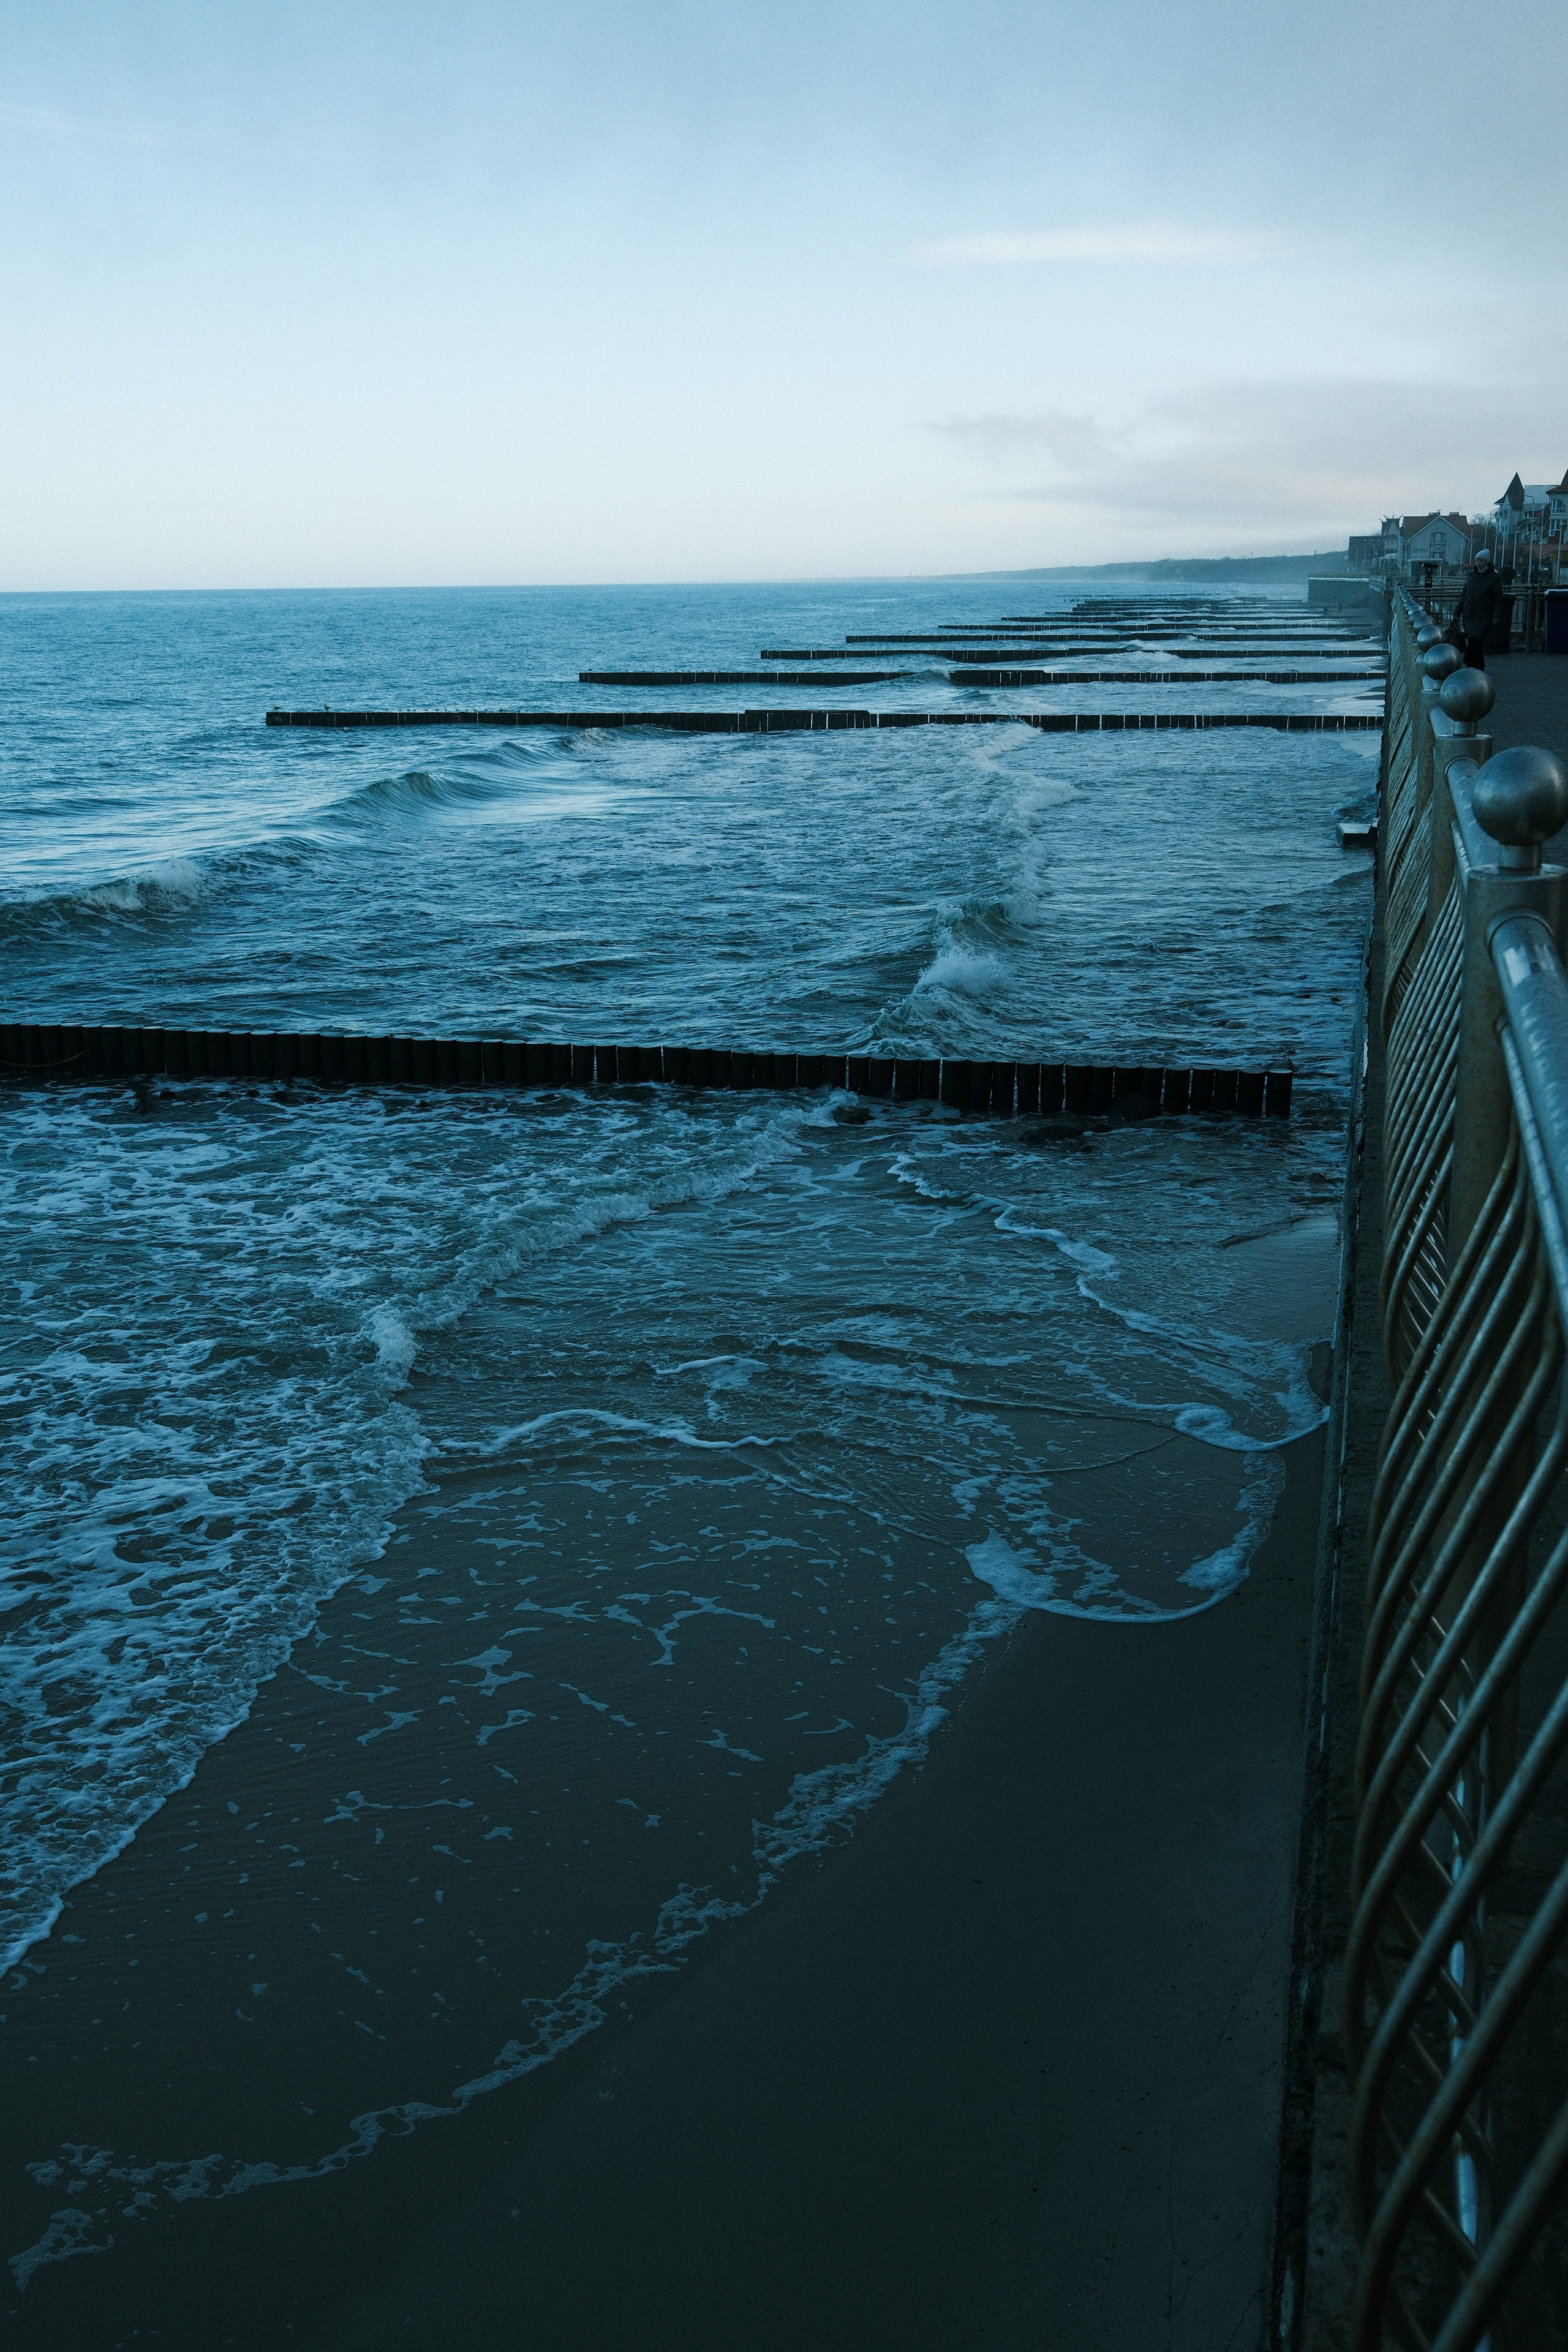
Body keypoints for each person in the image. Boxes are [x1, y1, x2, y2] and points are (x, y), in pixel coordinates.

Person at [1453, 547, 1504, 669]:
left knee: (1476, 640)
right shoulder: (1471, 576)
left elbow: (1498, 598)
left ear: (1487, 562)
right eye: (1477, 561)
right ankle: (1475, 666)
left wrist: (1496, 616)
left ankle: (1472, 665)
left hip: (1483, 614)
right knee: (1473, 641)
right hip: (1469, 614)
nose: (1478, 563)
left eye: (1481, 561)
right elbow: (1464, 595)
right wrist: (1457, 612)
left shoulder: (1494, 577)